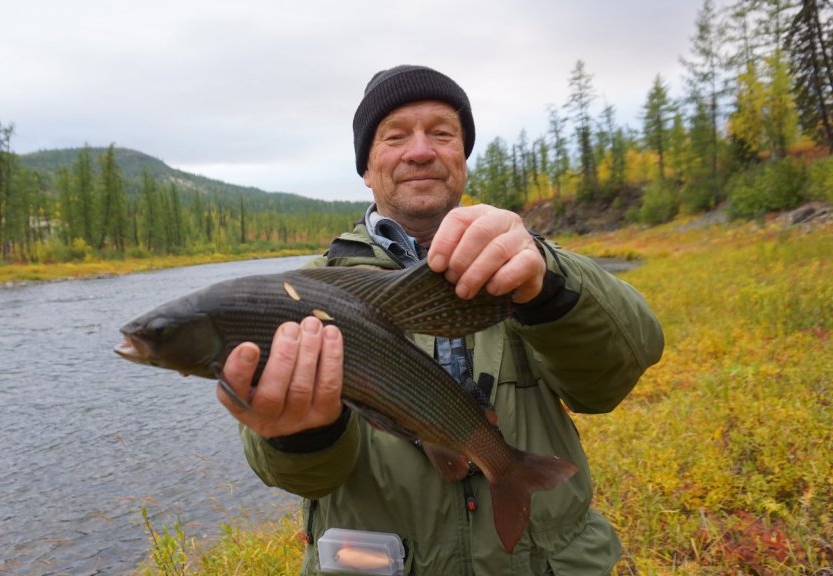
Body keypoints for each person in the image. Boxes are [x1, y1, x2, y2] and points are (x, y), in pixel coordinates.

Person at [216, 64, 665, 575]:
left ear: (462, 158)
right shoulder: (305, 292)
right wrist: (299, 434)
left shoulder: (530, 263)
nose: (421, 150)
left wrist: (547, 283)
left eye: (442, 132)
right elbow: (297, 475)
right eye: (395, 136)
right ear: (366, 167)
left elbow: (614, 377)